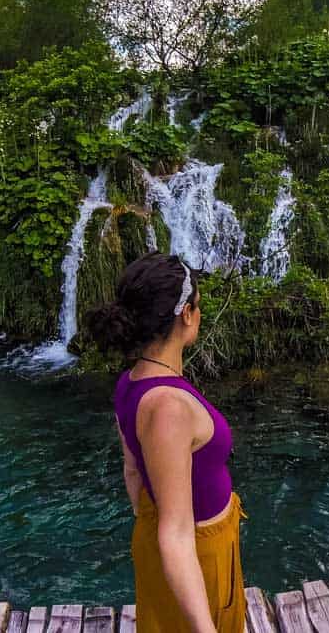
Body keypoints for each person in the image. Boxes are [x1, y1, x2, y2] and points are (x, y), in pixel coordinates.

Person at [86, 253, 247, 633]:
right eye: (199, 306)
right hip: (197, 552)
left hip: (162, 533)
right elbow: (176, 535)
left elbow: (132, 471)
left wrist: (153, 525)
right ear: (186, 315)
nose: (200, 314)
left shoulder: (131, 381)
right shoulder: (168, 407)